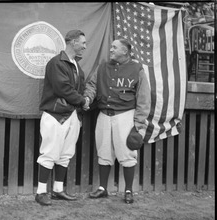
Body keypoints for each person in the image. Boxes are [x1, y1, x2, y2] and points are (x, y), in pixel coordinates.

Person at [84, 38, 150, 204]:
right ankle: (103, 188)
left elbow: (143, 98)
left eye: (115, 47)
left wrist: (139, 124)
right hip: (104, 114)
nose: (111, 50)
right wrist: (87, 97)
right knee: (104, 152)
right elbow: (92, 85)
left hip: (125, 115)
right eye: (111, 46)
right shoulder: (103, 67)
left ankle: (128, 190)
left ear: (125, 51)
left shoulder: (137, 69)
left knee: (127, 153)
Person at [35, 29, 90, 206]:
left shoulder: (75, 64)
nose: (85, 46)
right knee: (49, 152)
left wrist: (84, 101)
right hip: (55, 114)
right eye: (83, 42)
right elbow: (63, 89)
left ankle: (58, 190)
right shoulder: (56, 63)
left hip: (72, 114)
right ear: (73, 42)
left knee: (65, 153)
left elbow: (77, 89)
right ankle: (41, 192)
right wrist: (83, 101)